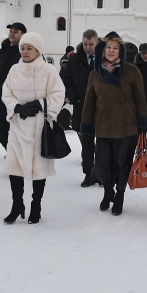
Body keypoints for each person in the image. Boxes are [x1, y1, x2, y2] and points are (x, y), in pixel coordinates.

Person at [80, 32, 147, 216]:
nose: (111, 51)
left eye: (115, 48)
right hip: (103, 126)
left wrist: (143, 124)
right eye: (108, 47)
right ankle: (108, 191)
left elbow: (140, 99)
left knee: (122, 163)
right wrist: (86, 126)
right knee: (103, 163)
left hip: (127, 127)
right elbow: (89, 103)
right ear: (102, 50)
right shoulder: (95, 74)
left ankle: (119, 195)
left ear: (121, 51)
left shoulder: (132, 71)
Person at [2, 32, 65, 224]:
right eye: (22, 47)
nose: (25, 51)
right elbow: (6, 93)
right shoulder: (14, 70)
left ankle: (36, 206)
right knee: (15, 169)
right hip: (18, 126)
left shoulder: (48, 70)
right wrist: (17, 107)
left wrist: (39, 105)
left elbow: (58, 94)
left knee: (39, 170)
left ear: (38, 50)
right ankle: (17, 204)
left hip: (40, 128)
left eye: (29, 48)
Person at [61, 29, 99, 187]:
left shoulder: (104, 59)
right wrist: (73, 96)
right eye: (85, 44)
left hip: (101, 106)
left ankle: (102, 174)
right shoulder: (75, 59)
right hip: (81, 106)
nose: (88, 47)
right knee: (86, 142)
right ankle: (88, 174)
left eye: (91, 44)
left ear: (97, 43)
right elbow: (66, 78)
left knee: (103, 143)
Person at [0, 22, 27, 149]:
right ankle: (12, 152)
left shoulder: (26, 54)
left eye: (16, 31)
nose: (12, 33)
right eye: (11, 31)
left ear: (23, 35)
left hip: (18, 101)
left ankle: (20, 155)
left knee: (19, 132)